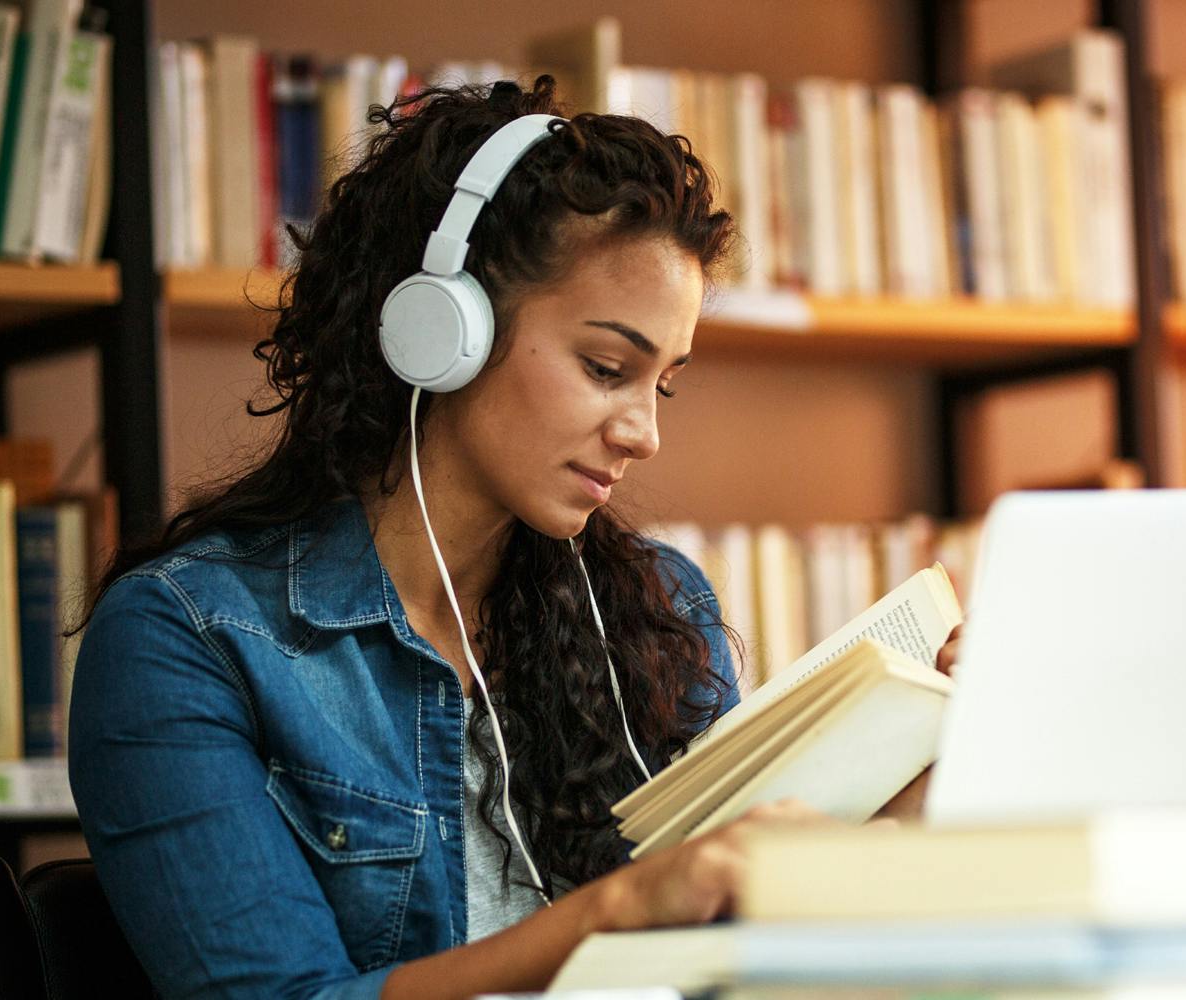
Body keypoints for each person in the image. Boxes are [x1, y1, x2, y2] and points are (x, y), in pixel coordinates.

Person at [69, 77, 957, 1000]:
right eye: (607, 367)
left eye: (663, 383)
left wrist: (913, 777)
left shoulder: (653, 608)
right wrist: (618, 908)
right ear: (441, 330)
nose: (643, 434)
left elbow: (730, 945)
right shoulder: (186, 640)